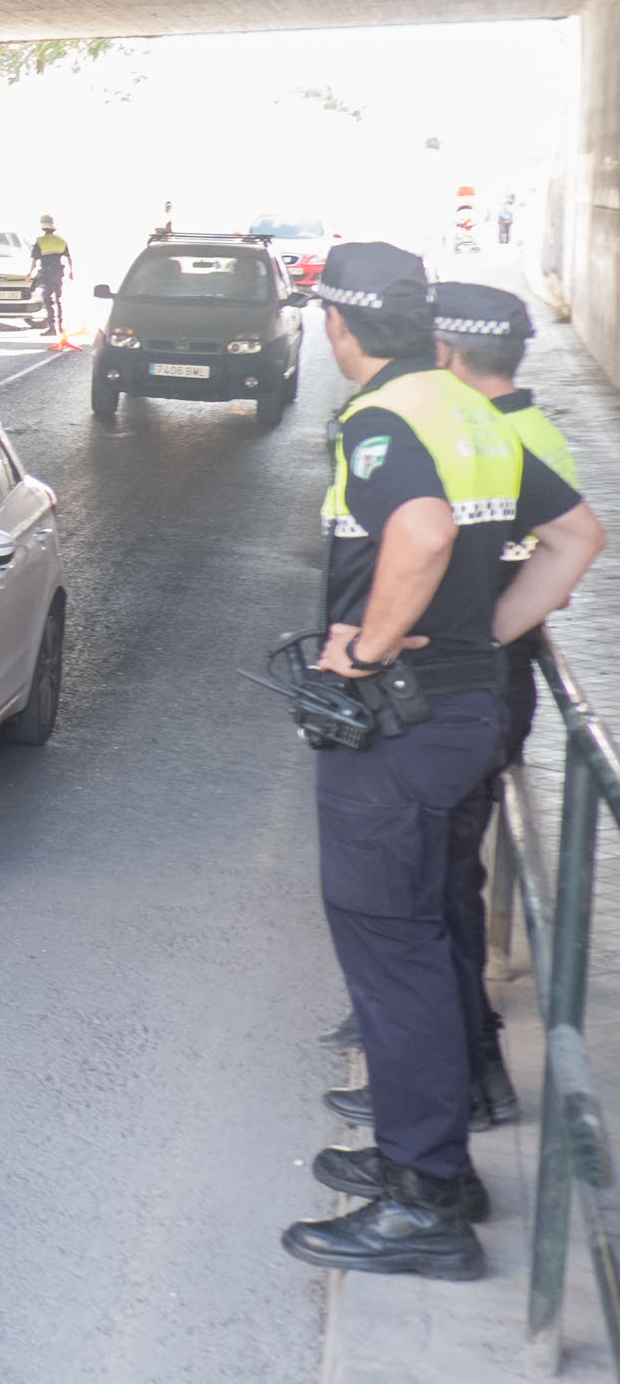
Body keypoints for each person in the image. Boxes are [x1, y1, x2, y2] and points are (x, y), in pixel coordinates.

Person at [281, 246, 591, 1280]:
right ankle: (435, 1170)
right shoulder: (470, 414)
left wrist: (366, 650)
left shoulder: (384, 419)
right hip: (459, 709)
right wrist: (482, 641)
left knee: (392, 948)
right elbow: (578, 537)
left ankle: (425, 1203)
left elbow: (414, 532)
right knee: (419, 933)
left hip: (398, 727)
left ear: (343, 326)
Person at [424, 283, 602, 1132]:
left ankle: (469, 1075)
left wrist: (482, 634)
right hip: (491, 682)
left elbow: (559, 572)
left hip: (483, 685)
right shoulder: (527, 431)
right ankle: (458, 1062)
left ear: (447, 353)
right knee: (446, 877)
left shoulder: (506, 438)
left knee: (445, 882)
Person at [30, 216, 73, 339]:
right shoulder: (60, 240)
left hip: (46, 273)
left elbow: (34, 260)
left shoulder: (40, 241)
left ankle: (52, 327)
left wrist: (29, 273)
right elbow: (68, 258)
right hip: (58, 272)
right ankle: (61, 327)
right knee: (58, 299)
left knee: (48, 299)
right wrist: (71, 272)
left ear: (43, 227)